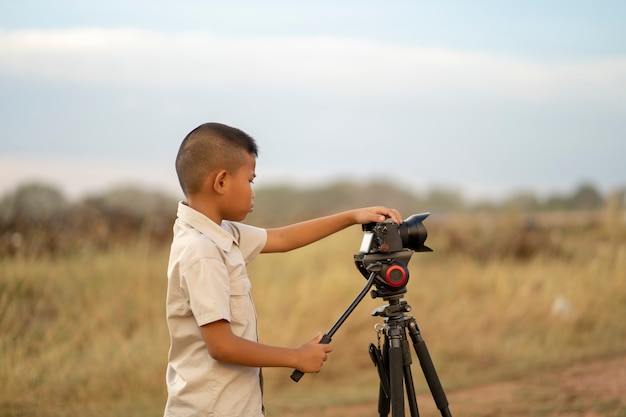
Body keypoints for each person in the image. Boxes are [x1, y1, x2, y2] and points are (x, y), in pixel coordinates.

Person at [164, 122, 403, 417]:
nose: (253, 191)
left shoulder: (220, 233)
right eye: (250, 180)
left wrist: (353, 216)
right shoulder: (201, 251)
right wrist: (296, 357)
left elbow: (281, 238)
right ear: (221, 182)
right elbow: (221, 346)